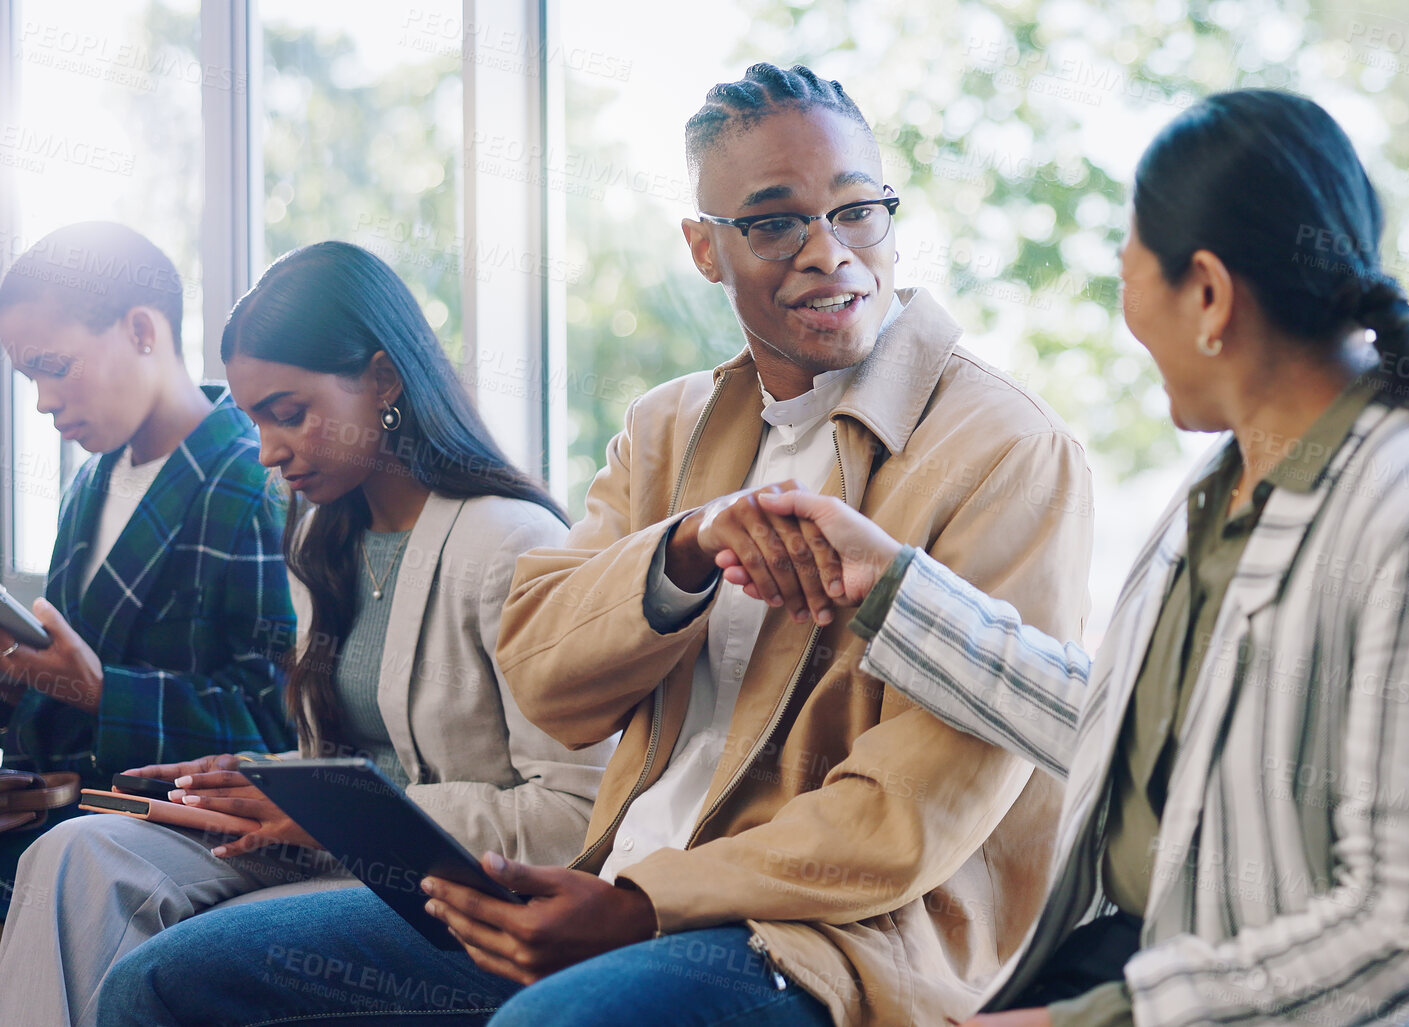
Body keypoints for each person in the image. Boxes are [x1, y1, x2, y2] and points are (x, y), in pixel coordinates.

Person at [97, 63, 1093, 1027]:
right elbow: (544, 675)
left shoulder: (1004, 447)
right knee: (162, 985)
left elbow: (911, 811)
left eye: (856, 210)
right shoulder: (668, 427)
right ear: (706, 250)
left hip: (823, 938)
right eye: (775, 220)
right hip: (610, 882)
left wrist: (643, 902)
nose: (828, 251)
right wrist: (686, 550)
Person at [721, 87, 1409, 1027]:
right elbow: (1124, 725)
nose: (1129, 322)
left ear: (1208, 294)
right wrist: (890, 588)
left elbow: (1405, 930)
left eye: (1131, 278)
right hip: (1144, 959)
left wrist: (1084, 1025)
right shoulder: (1224, 487)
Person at [0, 240, 613, 1027]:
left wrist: (332, 812)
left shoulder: (512, 545)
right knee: (74, 852)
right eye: (255, 419)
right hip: (340, 850)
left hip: (445, 889)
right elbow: (351, 763)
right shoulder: (324, 538)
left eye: (289, 414)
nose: (267, 451)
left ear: (386, 380)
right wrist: (259, 776)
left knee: (151, 975)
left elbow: (575, 813)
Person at [0, 222, 294, 903]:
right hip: (60, 812)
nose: (42, 401)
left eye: (55, 365)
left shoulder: (257, 479)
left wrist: (103, 691)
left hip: (163, 834)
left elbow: (279, 728)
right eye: (27, 376)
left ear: (141, 329)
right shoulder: (88, 486)